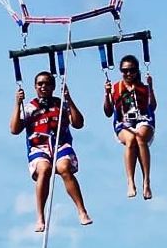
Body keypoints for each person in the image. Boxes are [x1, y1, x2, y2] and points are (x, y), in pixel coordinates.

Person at [11, 70, 92, 232]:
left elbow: (78, 123)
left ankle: (81, 211)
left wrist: (69, 99)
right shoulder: (29, 108)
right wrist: (17, 103)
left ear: (53, 86)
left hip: (60, 145)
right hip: (39, 148)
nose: (43, 87)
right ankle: (40, 217)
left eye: (47, 83)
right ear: (35, 87)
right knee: (44, 169)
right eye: (40, 84)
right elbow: (14, 129)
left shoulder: (61, 104)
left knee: (64, 168)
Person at [104, 54, 157, 199]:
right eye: (125, 71)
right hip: (124, 122)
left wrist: (150, 88)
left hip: (143, 119)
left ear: (136, 71)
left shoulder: (143, 88)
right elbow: (108, 112)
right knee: (131, 140)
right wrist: (107, 94)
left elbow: (152, 106)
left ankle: (146, 181)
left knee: (140, 138)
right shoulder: (116, 88)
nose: (128, 74)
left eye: (131, 70)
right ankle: (130, 182)